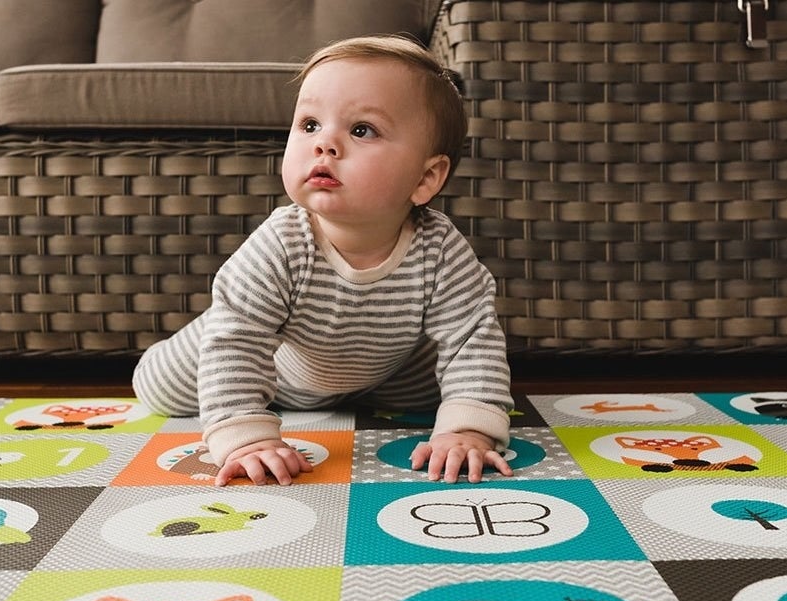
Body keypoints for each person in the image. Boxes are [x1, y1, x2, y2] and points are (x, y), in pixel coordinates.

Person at [132, 35, 514, 486]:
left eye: (361, 130)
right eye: (309, 124)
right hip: (274, 361)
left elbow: (472, 336)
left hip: (386, 364)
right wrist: (246, 437)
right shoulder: (282, 244)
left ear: (426, 177)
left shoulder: (440, 249)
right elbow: (240, 339)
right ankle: (228, 371)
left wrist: (466, 430)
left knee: (454, 390)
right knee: (161, 386)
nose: (325, 145)